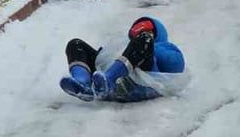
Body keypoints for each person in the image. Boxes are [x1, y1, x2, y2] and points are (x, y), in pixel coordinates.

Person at [59, 17, 187, 103]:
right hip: (103, 77)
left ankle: (109, 80)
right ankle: (84, 85)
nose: (143, 34)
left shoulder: (163, 46)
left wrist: (153, 48)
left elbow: (175, 65)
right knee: (75, 44)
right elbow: (102, 56)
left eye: (149, 31)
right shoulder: (125, 43)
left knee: (144, 41)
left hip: (141, 82)